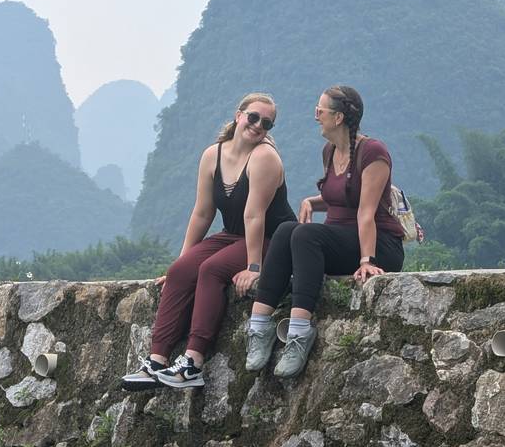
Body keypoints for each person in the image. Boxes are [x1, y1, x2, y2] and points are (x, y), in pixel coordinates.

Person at [120, 92, 295, 390]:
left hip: (273, 238)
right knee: (180, 272)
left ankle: (193, 362)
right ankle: (156, 361)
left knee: (212, 270)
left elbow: (255, 216)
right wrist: (183, 260)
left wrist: (254, 267)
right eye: (253, 117)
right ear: (238, 115)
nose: (258, 125)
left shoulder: (264, 157)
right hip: (233, 234)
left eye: (266, 123)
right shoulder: (212, 155)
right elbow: (202, 212)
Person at [243, 85, 406, 378]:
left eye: (320, 110)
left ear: (339, 117)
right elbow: (340, 196)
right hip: (340, 241)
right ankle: (259, 327)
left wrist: (367, 261)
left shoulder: (373, 153)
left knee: (305, 235)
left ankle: (299, 332)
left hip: (379, 245)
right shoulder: (330, 151)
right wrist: (312, 201)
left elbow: (366, 211)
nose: (316, 115)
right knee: (286, 230)